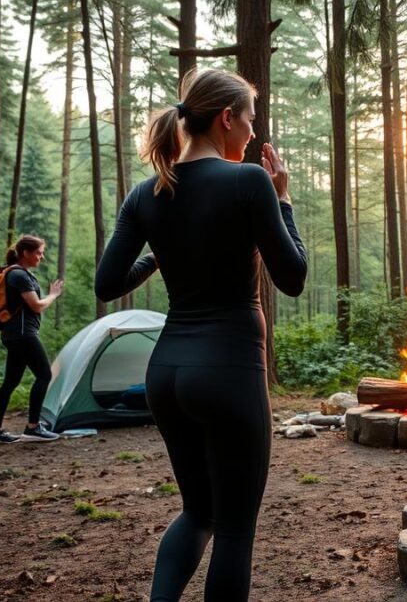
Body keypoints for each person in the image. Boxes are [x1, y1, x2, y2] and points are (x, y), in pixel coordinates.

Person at [95, 67, 307, 602]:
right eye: (250, 121)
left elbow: (106, 283)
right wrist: (284, 202)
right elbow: (294, 277)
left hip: (167, 375)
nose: (253, 134)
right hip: (230, 371)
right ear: (226, 117)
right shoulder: (249, 181)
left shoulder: (146, 193)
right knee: (234, 528)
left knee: (198, 512)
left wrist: (157, 253)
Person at [0, 235, 64, 444]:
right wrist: (53, 295)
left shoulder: (14, 273)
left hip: (14, 335)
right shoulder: (18, 275)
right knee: (44, 375)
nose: (41, 257)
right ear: (26, 253)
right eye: (38, 252)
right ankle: (33, 427)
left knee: (10, 381)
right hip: (23, 334)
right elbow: (36, 305)